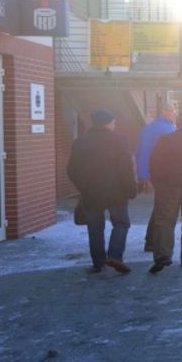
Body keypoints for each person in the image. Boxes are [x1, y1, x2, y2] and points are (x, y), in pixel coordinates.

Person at [67, 109, 137, 274]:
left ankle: (98, 263)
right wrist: (130, 188)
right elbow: (125, 168)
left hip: (91, 192)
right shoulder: (119, 140)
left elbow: (72, 170)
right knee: (121, 223)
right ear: (108, 123)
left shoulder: (80, 142)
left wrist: (83, 186)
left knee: (95, 228)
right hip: (116, 191)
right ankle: (114, 256)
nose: (115, 125)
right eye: (114, 122)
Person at [148, 111, 182, 273]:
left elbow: (154, 163)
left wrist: (158, 183)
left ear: (177, 124)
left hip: (167, 186)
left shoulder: (165, 140)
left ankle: (163, 255)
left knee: (164, 220)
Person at [135, 103, 177, 252]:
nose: (174, 113)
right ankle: (152, 241)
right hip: (162, 174)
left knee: (160, 206)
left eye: (174, 110)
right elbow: (147, 151)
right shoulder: (164, 129)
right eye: (172, 110)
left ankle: (151, 240)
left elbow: (141, 150)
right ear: (164, 111)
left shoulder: (152, 127)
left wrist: (143, 173)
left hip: (155, 173)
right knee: (162, 208)